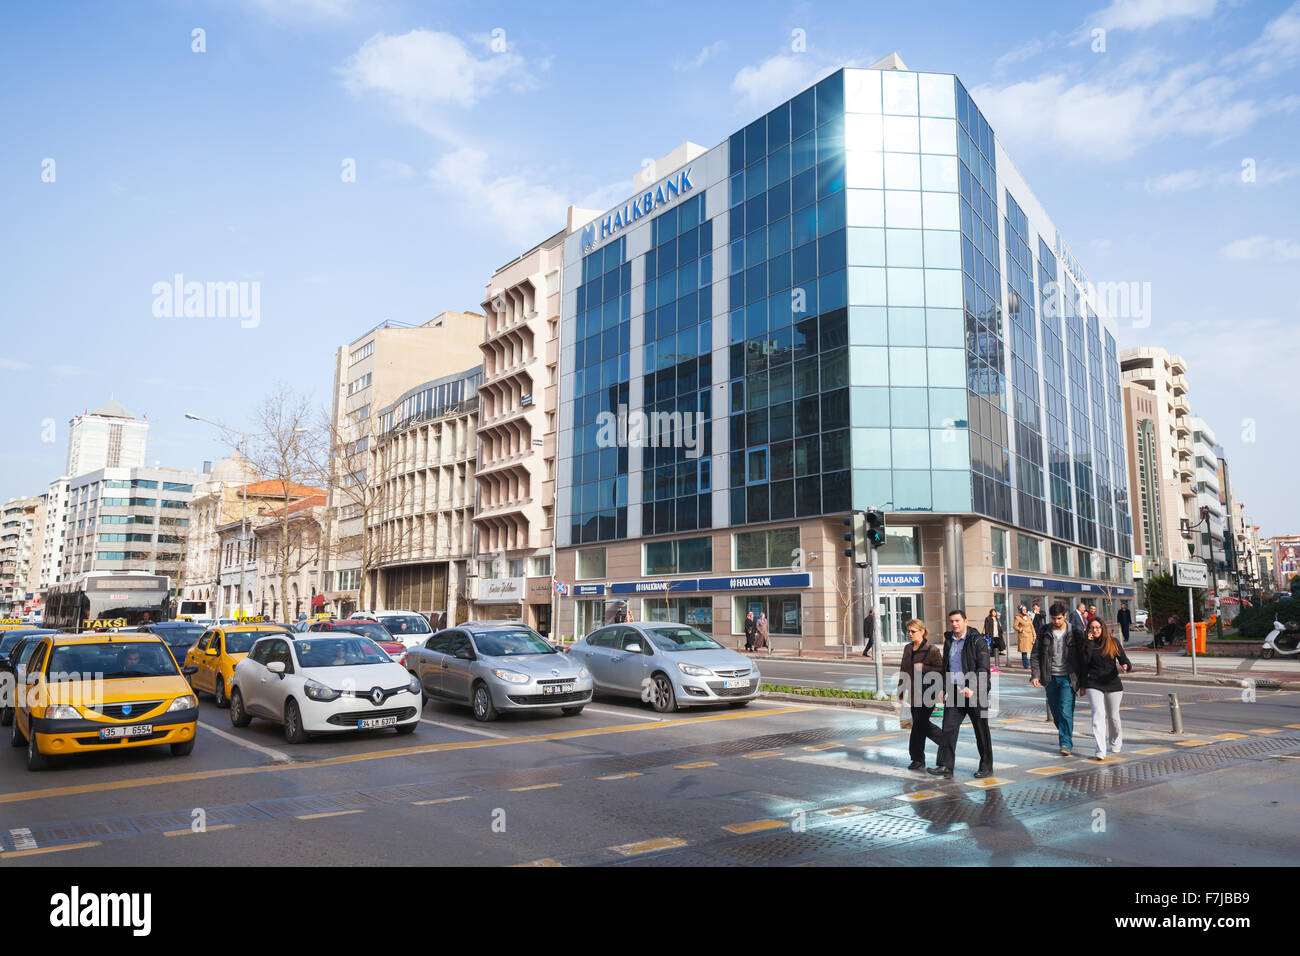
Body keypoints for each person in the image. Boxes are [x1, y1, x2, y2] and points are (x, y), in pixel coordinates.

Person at [928, 610, 993, 780]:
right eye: (951, 621)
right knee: (948, 729)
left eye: (957, 620)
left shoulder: (977, 641)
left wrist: (972, 687)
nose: (954, 624)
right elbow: (946, 667)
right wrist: (942, 688)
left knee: (981, 731)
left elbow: (983, 669)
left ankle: (986, 767)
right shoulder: (949, 640)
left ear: (965, 620)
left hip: (975, 692)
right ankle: (945, 766)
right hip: (955, 690)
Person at [1030, 601, 1085, 757]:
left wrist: (1084, 681)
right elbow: (1035, 655)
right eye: (1054, 618)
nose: (1056, 621)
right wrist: (1035, 675)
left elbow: (1083, 656)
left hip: (1069, 678)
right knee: (1056, 713)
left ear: (1065, 616)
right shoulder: (1044, 631)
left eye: (1059, 618)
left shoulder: (1075, 632)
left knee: (1065, 711)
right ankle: (1065, 733)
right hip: (1050, 678)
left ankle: (1065, 743)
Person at [1079, 619, 1132, 760]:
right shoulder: (1086, 644)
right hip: (1093, 683)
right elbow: (1083, 663)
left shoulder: (1113, 642)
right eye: (1091, 628)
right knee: (1098, 715)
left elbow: (1124, 660)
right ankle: (1100, 750)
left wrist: (1126, 666)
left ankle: (1115, 742)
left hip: (1112, 683)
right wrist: (1082, 685)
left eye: (1097, 627)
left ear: (1102, 628)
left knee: (1113, 716)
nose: (1095, 630)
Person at [898, 619, 943, 771]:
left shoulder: (932, 650)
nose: (909, 634)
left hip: (928, 693)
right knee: (918, 725)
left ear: (922, 631)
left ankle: (944, 743)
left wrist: (924, 668)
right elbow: (904, 670)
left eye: (913, 631)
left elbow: (941, 670)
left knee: (920, 724)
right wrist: (900, 690)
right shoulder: (907, 648)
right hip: (912, 693)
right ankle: (918, 758)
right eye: (908, 631)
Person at [1013, 605, 1036, 669]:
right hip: (1023, 636)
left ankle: (1033, 664)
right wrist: (1021, 630)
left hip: (1030, 636)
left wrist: (1034, 635)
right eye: (1023, 610)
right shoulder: (1018, 617)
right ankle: (1026, 665)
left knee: (1033, 651)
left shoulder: (1028, 617)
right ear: (1020, 610)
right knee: (1024, 652)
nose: (1025, 611)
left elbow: (1032, 626)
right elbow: (1015, 626)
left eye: (1025, 609)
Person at [982, 608, 1004, 672]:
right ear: (991, 613)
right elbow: (986, 626)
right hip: (991, 635)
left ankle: (996, 663)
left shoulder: (996, 619)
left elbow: (998, 626)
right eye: (993, 612)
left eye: (995, 612)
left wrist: (1000, 632)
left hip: (996, 635)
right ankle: (989, 662)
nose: (994, 613)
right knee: (990, 647)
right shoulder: (988, 618)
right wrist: (987, 633)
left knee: (996, 648)